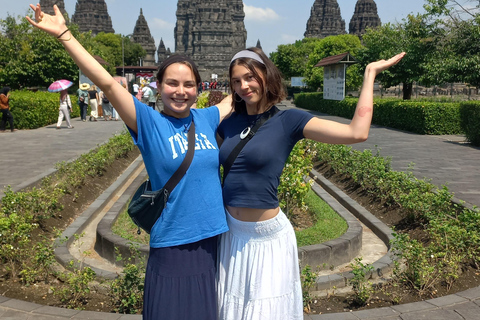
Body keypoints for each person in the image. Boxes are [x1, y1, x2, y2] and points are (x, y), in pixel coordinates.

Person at [26, 4, 233, 319]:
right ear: (158, 87)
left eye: (188, 84)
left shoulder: (205, 117)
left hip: (209, 243)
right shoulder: (148, 122)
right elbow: (108, 84)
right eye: (172, 84)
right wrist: (64, 35)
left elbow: (243, 92)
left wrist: (258, 71)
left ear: (198, 88)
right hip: (172, 245)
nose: (181, 91)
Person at [216, 47, 405, 320]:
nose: (244, 86)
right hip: (231, 234)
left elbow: (357, 132)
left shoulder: (288, 120)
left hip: (267, 239)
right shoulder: (228, 123)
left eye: (250, 77)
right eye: (236, 81)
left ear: (266, 76)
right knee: (229, 309)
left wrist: (369, 74)